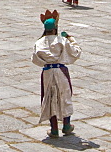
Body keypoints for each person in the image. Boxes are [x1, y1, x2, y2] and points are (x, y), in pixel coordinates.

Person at [32, 9, 81, 138]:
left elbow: (35, 59)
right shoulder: (61, 40)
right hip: (61, 71)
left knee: (49, 97)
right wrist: (71, 39)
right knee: (64, 96)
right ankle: (66, 125)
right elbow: (75, 52)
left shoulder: (39, 42)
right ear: (55, 29)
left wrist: (47, 62)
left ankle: (54, 129)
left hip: (47, 72)